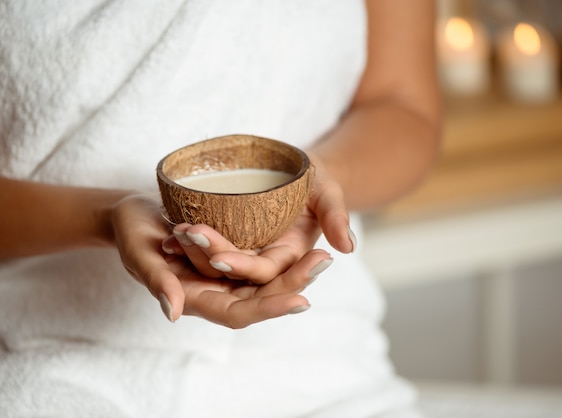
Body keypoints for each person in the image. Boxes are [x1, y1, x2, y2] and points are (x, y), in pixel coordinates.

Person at [0, 0, 441, 416]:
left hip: (314, 351)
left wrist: (310, 182)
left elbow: (401, 105)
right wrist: (104, 216)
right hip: (45, 351)